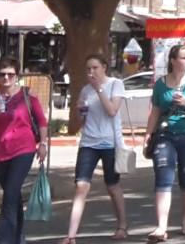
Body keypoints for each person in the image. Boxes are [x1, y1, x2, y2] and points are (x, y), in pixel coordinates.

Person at [0, 57, 48, 244]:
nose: (6, 78)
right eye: (2, 74)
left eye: (11, 74)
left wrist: (43, 143)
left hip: (23, 150)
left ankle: (2, 240)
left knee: (9, 194)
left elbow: (41, 121)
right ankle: (18, 238)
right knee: (13, 196)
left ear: (17, 76)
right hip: (0, 152)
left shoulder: (27, 95)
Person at [144, 44, 185, 240]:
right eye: (183, 58)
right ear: (172, 61)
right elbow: (155, 111)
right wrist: (148, 134)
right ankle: (161, 227)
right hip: (166, 135)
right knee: (163, 176)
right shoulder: (161, 84)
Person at [62, 54, 128, 244]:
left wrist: (99, 88)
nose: (91, 72)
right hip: (88, 142)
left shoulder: (115, 84)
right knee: (81, 186)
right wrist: (80, 111)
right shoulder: (85, 90)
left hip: (110, 143)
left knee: (112, 185)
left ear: (104, 67)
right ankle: (71, 235)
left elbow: (112, 110)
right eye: (88, 69)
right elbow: (81, 121)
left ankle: (122, 225)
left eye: (95, 68)